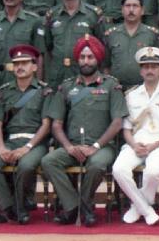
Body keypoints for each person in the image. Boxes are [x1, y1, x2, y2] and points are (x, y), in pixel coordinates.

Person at [41, 37, 128, 226]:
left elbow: (117, 123)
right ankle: (74, 206)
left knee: (96, 165)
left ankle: (83, 206)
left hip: (101, 146)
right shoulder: (67, 86)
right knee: (49, 161)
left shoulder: (111, 85)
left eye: (90, 57)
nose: (86, 61)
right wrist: (68, 147)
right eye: (82, 57)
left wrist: (95, 146)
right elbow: (56, 124)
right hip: (73, 146)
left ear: (98, 59)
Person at [108, 46, 159, 226]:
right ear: (140, 71)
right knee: (118, 169)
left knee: (153, 172)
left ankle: (137, 208)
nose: (150, 70)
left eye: (154, 67)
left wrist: (154, 145)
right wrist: (134, 145)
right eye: (146, 67)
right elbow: (126, 129)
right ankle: (147, 210)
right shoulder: (130, 95)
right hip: (136, 143)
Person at [0, 44, 51, 225]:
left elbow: (46, 125)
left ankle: (20, 207)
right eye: (16, 63)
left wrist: (27, 147)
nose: (20, 67)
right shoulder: (4, 91)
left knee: (26, 166)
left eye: (25, 63)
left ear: (34, 66)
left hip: (34, 143)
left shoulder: (44, 91)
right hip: (10, 142)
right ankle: (8, 207)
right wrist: (1, 147)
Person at [103, 0, 159, 89]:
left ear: (142, 10)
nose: (131, 10)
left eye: (135, 6)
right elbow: (105, 66)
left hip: (143, 88)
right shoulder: (111, 34)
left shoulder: (152, 34)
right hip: (116, 89)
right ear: (122, 10)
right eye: (127, 6)